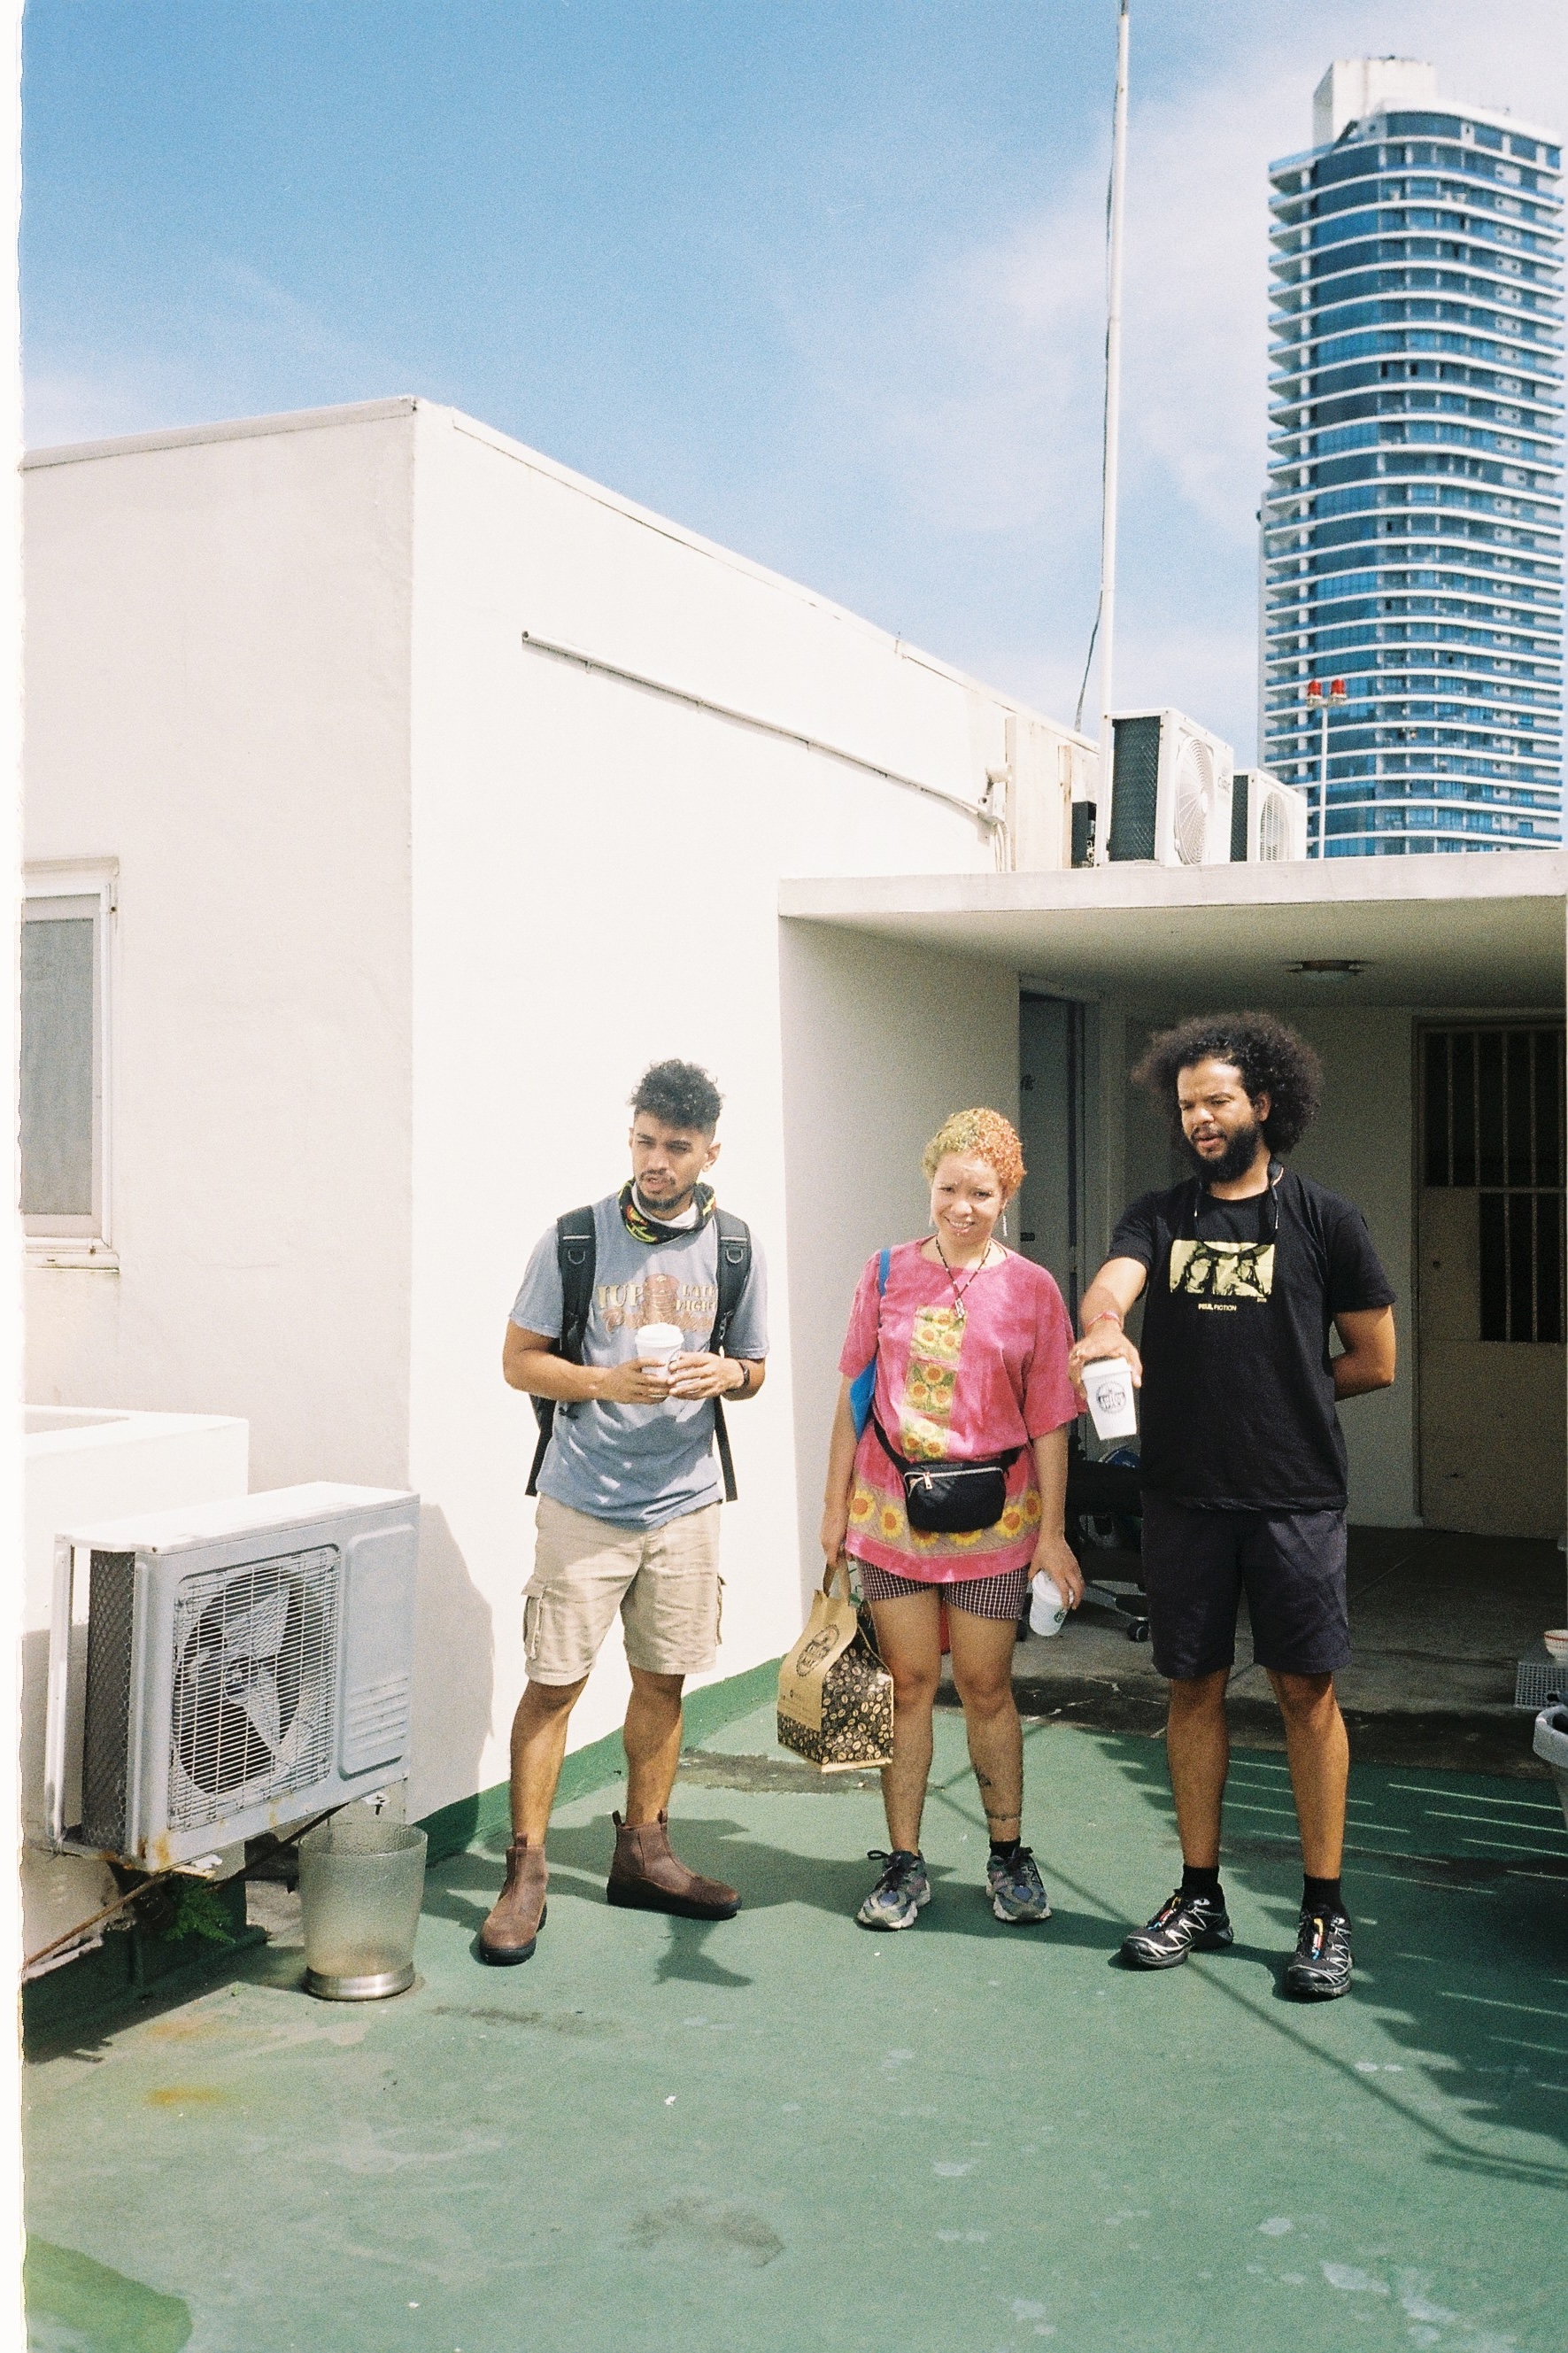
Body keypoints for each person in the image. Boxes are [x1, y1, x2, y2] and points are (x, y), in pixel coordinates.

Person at [1070, 1014, 1395, 2000]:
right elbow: (1107, 1291)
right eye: (1186, 1105)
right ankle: (1198, 1894)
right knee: (1192, 1689)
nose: (1201, 1119)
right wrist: (1105, 1331)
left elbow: (1375, 1361)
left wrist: (1283, 1388)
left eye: (1217, 1099)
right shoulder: (1160, 1214)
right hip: (1182, 1496)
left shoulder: (1325, 1220)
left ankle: (1323, 1911)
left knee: (1305, 1694)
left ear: (1263, 1103)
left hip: (1294, 1495)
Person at [483, 1059, 768, 1964]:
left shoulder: (734, 1246)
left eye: (675, 1146)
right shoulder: (575, 1238)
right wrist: (604, 1381)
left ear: (709, 1150)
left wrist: (729, 1372)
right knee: (556, 1682)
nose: (655, 1159)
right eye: (644, 1140)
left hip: (685, 1504)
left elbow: (753, 1365)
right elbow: (518, 1359)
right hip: (585, 1499)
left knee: (664, 1679)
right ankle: (524, 1870)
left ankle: (643, 1850)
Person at [821, 1108, 1081, 1931]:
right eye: (948, 1187)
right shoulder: (886, 1272)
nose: (961, 1206)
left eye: (981, 1191)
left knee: (984, 1687)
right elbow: (852, 1393)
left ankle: (1006, 1855)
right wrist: (832, 1510)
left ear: (1006, 1194)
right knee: (908, 1686)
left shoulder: (1033, 1289)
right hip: (889, 1512)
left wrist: (1053, 1532)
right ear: (927, 1183)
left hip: (995, 1523)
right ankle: (904, 1863)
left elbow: (1049, 1418)